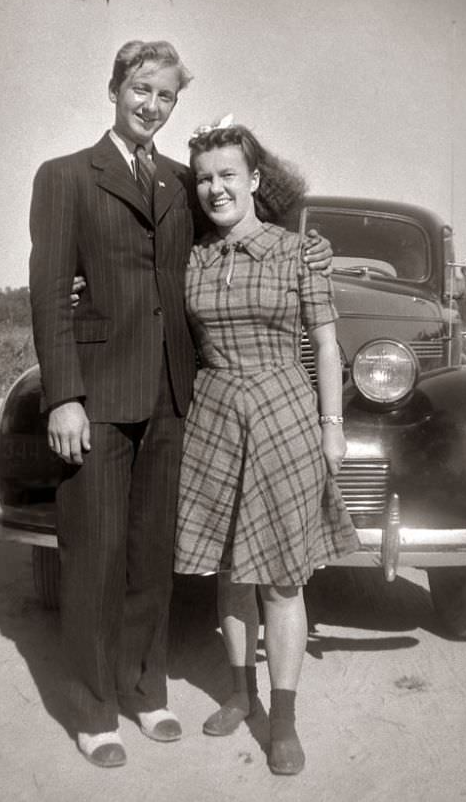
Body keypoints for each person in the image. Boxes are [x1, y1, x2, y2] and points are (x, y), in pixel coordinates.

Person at [29, 40, 333, 768]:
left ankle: (145, 687)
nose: (150, 105)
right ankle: (96, 708)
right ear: (114, 88)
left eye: (165, 96)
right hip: (98, 398)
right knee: (96, 556)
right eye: (140, 89)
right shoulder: (66, 176)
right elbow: (47, 293)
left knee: (150, 561)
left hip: (175, 401)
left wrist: (302, 236)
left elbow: (262, 206)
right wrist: (63, 394)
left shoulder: (180, 182)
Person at [173, 123, 360, 775]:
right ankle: (239, 692)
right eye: (204, 177)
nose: (215, 186)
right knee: (231, 570)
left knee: (281, 576)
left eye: (228, 173)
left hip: (283, 413)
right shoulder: (191, 257)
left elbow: (327, 343)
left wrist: (332, 425)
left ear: (255, 180)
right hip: (216, 416)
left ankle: (282, 719)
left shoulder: (298, 252)